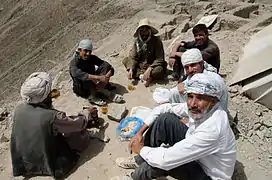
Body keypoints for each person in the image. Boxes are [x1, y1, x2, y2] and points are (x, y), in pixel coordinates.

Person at [113, 73, 236, 180]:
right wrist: (139, 132)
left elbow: (165, 160)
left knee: (164, 160)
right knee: (165, 120)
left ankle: (135, 177)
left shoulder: (214, 128)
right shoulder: (203, 108)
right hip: (201, 156)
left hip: (208, 174)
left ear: (214, 101)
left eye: (200, 98)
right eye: (190, 96)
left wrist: (141, 149)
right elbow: (164, 108)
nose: (193, 103)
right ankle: (140, 160)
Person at [10, 72, 104, 179]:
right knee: (80, 137)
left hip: (24, 160)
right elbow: (76, 124)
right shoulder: (52, 117)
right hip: (48, 160)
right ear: (44, 97)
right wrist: (87, 113)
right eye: (48, 93)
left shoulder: (19, 108)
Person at [70, 39, 123, 106]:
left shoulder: (91, 58)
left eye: (90, 51)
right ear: (80, 50)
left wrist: (105, 79)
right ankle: (93, 97)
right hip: (82, 87)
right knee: (85, 78)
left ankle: (101, 88)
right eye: (85, 51)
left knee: (105, 67)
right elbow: (77, 74)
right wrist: (98, 77)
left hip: (94, 81)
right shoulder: (74, 62)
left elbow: (106, 65)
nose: (88, 54)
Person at [122, 18, 167, 87]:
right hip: (141, 65)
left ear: (150, 31)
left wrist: (150, 68)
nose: (144, 33)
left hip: (153, 65)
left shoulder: (156, 41)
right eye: (142, 31)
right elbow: (132, 56)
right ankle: (143, 76)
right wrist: (131, 69)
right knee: (126, 60)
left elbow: (160, 58)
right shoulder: (137, 41)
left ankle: (142, 75)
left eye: (146, 30)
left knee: (158, 70)